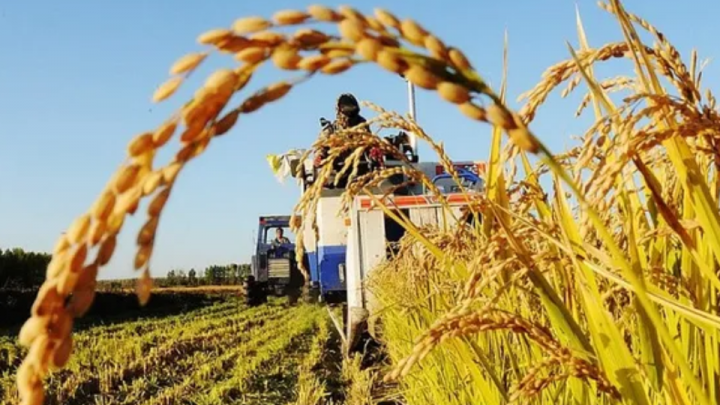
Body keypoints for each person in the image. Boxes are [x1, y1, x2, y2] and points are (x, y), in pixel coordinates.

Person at [314, 93, 384, 189]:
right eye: (346, 108)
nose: (350, 112)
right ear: (340, 110)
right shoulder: (331, 130)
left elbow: (369, 141)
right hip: (337, 175)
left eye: (352, 108)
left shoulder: (361, 125)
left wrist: (374, 150)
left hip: (360, 172)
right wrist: (320, 155)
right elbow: (320, 146)